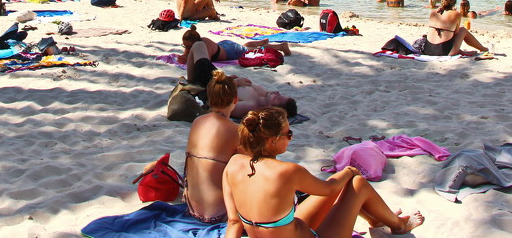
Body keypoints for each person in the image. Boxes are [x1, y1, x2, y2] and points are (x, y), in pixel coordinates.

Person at [222, 107, 424, 238]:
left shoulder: (233, 164)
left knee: (343, 183)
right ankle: (398, 226)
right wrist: (349, 171)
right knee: (356, 183)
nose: (290, 138)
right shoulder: (288, 171)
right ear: (271, 140)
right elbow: (329, 189)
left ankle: (379, 221)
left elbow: (233, 222)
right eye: (288, 134)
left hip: (289, 230)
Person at [181, 70, 240, 224]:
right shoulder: (236, 130)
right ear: (235, 99)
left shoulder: (197, 122)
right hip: (219, 214)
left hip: (192, 208)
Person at [179, 28, 291, 82]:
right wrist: (185, 56)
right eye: (185, 46)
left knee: (251, 51)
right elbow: (188, 54)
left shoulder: (203, 44)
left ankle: (281, 46)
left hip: (229, 51)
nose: (187, 49)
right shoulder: (196, 43)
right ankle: (261, 42)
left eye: (188, 46)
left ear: (194, 42)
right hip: (224, 45)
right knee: (245, 47)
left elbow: (204, 64)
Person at [422, 0, 488, 56]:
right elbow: (456, 33)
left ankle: (462, 51)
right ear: (454, 2)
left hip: (428, 50)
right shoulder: (456, 14)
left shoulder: (433, 12)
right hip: (444, 52)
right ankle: (483, 49)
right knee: (462, 30)